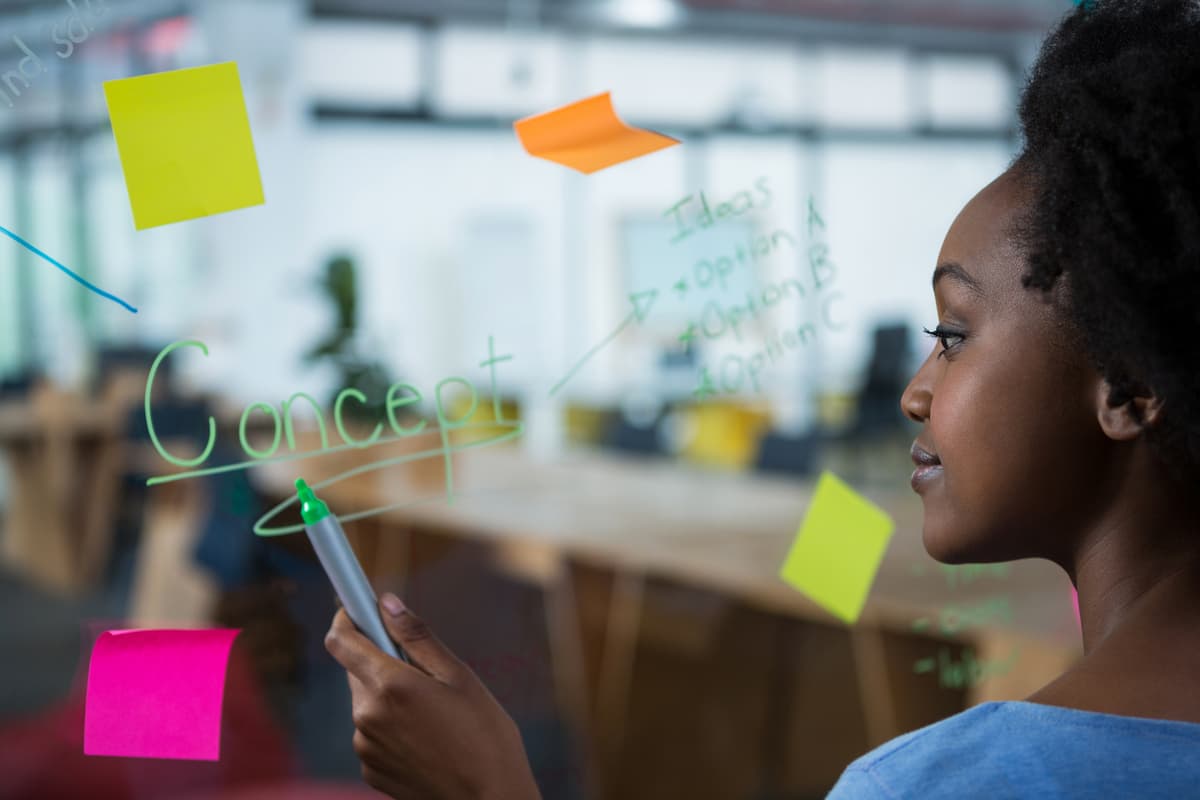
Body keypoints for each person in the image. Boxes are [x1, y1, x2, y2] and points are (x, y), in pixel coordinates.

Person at [323, 0, 1200, 796]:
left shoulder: (932, 787)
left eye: (953, 335)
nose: (915, 391)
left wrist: (484, 789)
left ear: (1128, 383)